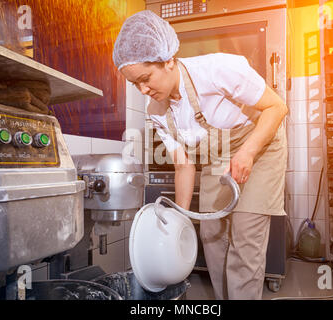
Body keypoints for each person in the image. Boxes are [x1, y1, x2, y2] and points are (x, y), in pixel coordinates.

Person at [113, 10, 288, 300]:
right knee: (211, 236)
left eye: (146, 78)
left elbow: (277, 107)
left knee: (244, 239)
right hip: (217, 158)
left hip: (259, 147)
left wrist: (248, 152)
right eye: (135, 84)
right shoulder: (156, 112)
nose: (143, 90)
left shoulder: (218, 70)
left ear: (168, 60)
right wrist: (180, 218)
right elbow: (184, 166)